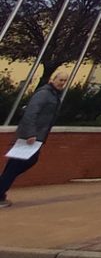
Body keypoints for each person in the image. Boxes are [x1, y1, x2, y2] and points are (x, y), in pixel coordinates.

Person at [0, 70, 67, 208]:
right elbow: (30, 113)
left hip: (36, 137)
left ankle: (1, 190)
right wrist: (30, 133)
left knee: (16, 165)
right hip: (29, 136)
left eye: (65, 81)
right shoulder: (44, 94)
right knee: (18, 164)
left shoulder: (53, 95)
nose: (62, 83)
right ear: (52, 79)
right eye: (60, 80)